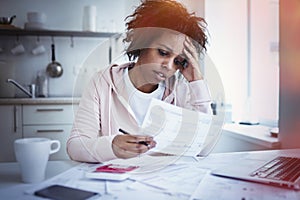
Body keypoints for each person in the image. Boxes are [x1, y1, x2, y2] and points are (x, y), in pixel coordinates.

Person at [67, 0, 212, 163]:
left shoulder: (181, 90)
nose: (168, 66)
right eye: (163, 52)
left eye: (178, 61)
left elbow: (203, 148)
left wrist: (197, 81)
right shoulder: (103, 82)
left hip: (163, 183)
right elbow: (76, 147)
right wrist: (111, 147)